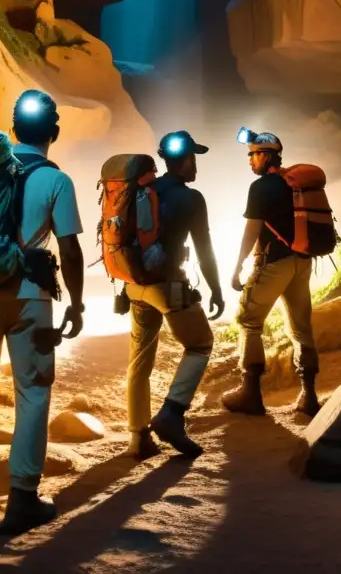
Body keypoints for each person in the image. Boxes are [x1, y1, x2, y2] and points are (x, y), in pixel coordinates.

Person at [0, 90, 86, 536]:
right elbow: (68, 247)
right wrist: (78, 303)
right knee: (33, 390)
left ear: (12, 131)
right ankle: (22, 497)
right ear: (55, 132)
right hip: (30, 297)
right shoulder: (55, 180)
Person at [123, 131, 225, 459]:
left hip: (135, 284)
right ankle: (172, 413)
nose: (195, 165)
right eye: (193, 158)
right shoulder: (191, 198)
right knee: (200, 344)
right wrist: (216, 288)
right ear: (184, 161)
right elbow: (204, 248)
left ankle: (139, 437)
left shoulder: (143, 190)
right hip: (168, 285)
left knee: (140, 359)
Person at [221, 131, 320, 417]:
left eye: (253, 154)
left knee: (249, 321)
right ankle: (309, 396)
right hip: (302, 262)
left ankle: (250, 393)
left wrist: (237, 265)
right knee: (301, 328)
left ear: (265, 155)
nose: (250, 160)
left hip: (274, 263)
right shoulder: (295, 184)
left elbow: (252, 230)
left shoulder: (261, 187)